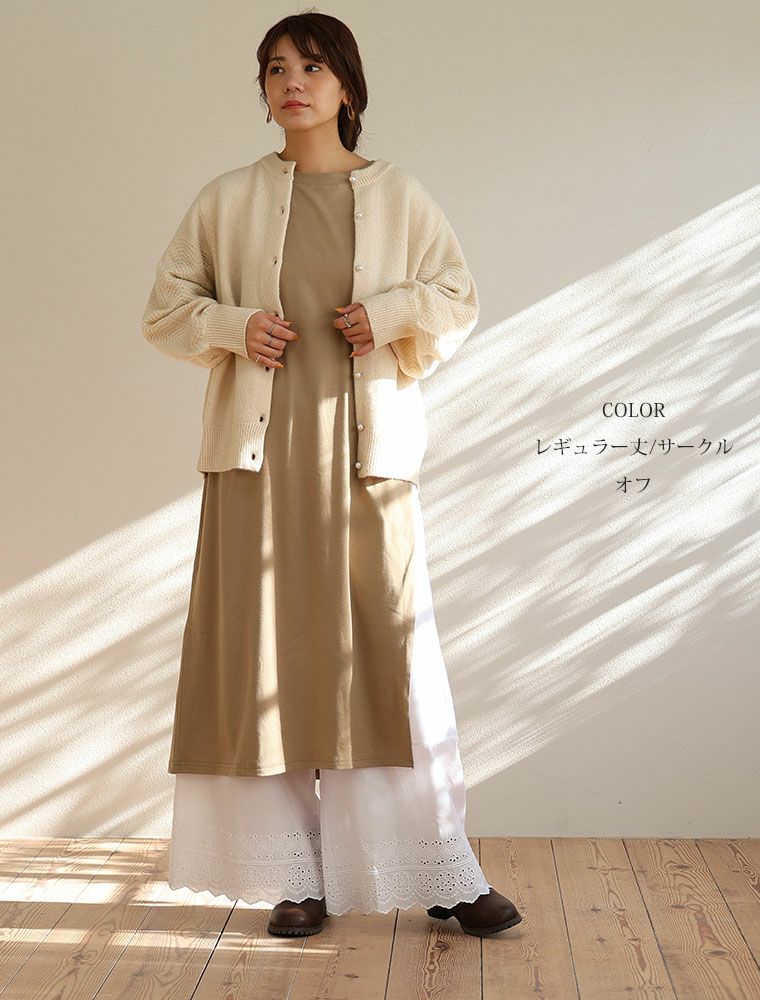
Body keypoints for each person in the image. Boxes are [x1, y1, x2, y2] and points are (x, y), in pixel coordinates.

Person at [141, 11, 522, 938]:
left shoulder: (400, 195)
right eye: (276, 69)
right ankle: (294, 876)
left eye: (312, 67)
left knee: (386, 661)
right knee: (260, 663)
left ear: (347, 85)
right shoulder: (227, 199)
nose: (293, 83)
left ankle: (436, 866)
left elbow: (458, 296)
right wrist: (234, 327)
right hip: (255, 465)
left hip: (365, 461)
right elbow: (166, 309)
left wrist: (389, 313)